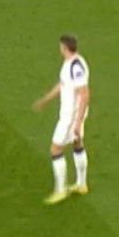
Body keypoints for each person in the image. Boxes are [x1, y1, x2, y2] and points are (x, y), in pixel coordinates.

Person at [30, 34, 90, 203]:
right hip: (73, 114)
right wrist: (45, 99)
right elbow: (63, 84)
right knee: (77, 143)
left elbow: (84, 94)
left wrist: (77, 121)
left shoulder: (76, 67)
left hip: (71, 116)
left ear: (64, 48)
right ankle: (81, 184)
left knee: (55, 148)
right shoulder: (71, 63)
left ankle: (60, 190)